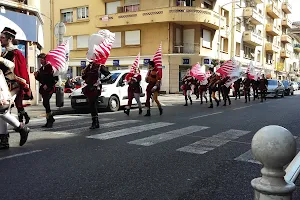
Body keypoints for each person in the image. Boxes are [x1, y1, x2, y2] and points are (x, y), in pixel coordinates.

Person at [0, 27, 30, 149]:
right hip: (3, 86)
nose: (0, 39)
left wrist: (1, 60)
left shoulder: (16, 52)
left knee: (2, 109)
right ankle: (4, 139)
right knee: (3, 112)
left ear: (10, 39)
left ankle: (22, 128)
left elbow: (14, 68)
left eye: (2, 37)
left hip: (12, 86)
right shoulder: (5, 52)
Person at [82, 62, 111, 129]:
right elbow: (84, 77)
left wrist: (101, 81)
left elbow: (109, 75)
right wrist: (83, 74)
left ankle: (95, 122)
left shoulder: (99, 66)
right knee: (91, 104)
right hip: (89, 87)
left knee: (92, 103)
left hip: (95, 87)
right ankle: (95, 121)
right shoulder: (87, 67)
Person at [34, 53, 58, 128]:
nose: (40, 61)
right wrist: (36, 76)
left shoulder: (50, 67)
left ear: (45, 59)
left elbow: (55, 79)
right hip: (44, 89)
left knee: (46, 103)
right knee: (46, 104)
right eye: (40, 60)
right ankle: (50, 119)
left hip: (49, 88)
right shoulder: (41, 69)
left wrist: (47, 85)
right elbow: (41, 79)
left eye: (42, 59)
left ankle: (49, 120)